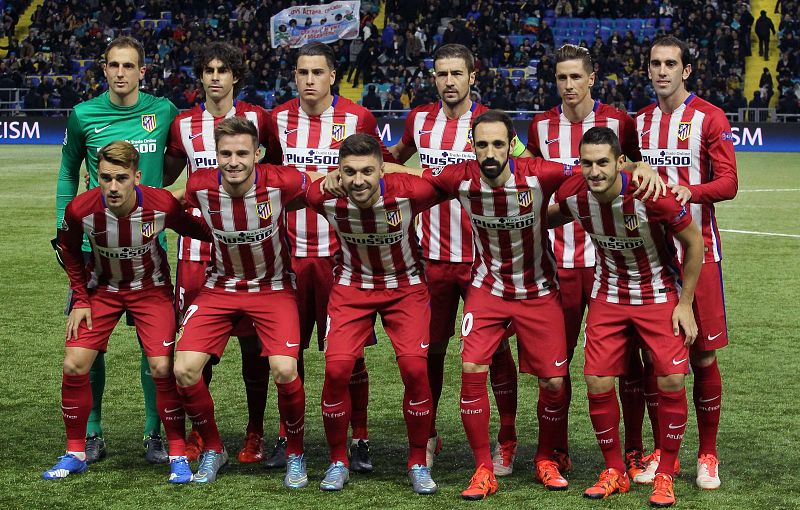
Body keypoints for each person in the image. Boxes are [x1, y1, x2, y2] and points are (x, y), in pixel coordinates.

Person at [416, 110, 663, 500]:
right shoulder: (458, 177)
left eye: (499, 144)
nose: (491, 152)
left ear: (511, 145)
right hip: (488, 289)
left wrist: (639, 166)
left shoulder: (539, 173)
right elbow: (408, 180)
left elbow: (594, 170)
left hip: (539, 290)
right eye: (483, 145)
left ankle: (546, 458)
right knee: (472, 367)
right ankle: (483, 468)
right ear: (472, 146)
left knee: (553, 382)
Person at [387, 44, 525, 474]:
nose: (449, 81)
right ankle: (428, 435)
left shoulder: (490, 124)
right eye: (442, 74)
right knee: (430, 352)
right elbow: (394, 158)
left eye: (457, 74)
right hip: (431, 259)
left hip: (486, 261)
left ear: (472, 76)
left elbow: (527, 166)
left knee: (496, 353)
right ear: (434, 78)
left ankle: (506, 439)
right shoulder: (419, 120)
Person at [549, 126, 704, 507]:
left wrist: (685, 304)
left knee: (671, 379)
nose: (595, 171)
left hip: (657, 293)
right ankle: (614, 470)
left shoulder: (651, 195)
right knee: (597, 380)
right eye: (587, 163)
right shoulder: (574, 195)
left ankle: (665, 473)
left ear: (620, 162)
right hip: (608, 295)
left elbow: (694, 242)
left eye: (603, 163)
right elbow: (548, 215)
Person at [43, 141, 211, 483]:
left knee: (161, 367)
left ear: (137, 177)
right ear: (95, 176)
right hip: (101, 291)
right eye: (106, 178)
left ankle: (177, 454)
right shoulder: (80, 210)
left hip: (151, 292)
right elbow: (69, 250)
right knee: (74, 363)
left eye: (121, 178)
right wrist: (81, 299)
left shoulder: (161, 204)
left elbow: (197, 229)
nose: (113, 186)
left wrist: (227, 231)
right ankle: (75, 453)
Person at [265, 42, 394, 471]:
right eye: (302, 72)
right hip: (288, 256)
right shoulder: (277, 120)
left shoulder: (359, 118)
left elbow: (378, 176)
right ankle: (287, 436)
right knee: (289, 354)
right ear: (294, 76)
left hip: (343, 258)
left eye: (317, 72)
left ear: (333, 76)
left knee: (350, 356)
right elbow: (271, 176)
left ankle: (360, 437)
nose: (309, 80)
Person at [526, 44, 651, 485]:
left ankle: (633, 450)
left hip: (610, 268)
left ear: (592, 78)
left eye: (576, 77)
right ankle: (553, 451)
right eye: (561, 77)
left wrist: (644, 170)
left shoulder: (620, 122)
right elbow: (534, 182)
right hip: (556, 264)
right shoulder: (540, 127)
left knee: (628, 367)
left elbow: (636, 170)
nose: (569, 85)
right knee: (553, 369)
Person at [173, 117, 320, 486]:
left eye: (242, 153)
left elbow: (321, 185)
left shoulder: (282, 180)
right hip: (219, 287)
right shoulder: (200, 185)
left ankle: (296, 453)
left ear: (258, 154)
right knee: (184, 369)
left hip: (273, 287)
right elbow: (171, 201)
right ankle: (213, 448)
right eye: (225, 154)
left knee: (284, 369)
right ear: (215, 155)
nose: (233, 161)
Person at [54, 35, 178, 465]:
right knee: (89, 343)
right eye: (113, 65)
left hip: (149, 248)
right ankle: (92, 432)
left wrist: (156, 195)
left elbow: (176, 160)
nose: (120, 73)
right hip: (94, 250)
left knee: (154, 347)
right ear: (104, 69)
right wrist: (62, 226)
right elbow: (68, 171)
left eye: (128, 66)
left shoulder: (164, 111)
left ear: (142, 71)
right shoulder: (83, 115)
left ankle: (153, 432)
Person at [308, 133, 440, 494]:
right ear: (338, 172)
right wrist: (327, 179)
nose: (358, 180)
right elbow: (303, 189)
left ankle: (417, 461)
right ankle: (338, 461)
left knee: (415, 369)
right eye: (349, 172)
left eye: (368, 171)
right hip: (352, 286)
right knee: (336, 370)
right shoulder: (323, 196)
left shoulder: (411, 192)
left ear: (382, 170)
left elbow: (441, 185)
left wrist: (396, 170)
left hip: (406, 286)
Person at [637, 35, 738, 490]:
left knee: (704, 355)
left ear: (687, 70)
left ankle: (707, 453)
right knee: (657, 360)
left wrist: (690, 191)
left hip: (701, 255)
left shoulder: (709, 118)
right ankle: (664, 451)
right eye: (655, 64)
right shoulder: (638, 123)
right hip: (652, 259)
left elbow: (729, 183)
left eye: (670, 64)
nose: (662, 71)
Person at [164, 42, 272, 465]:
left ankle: (255, 431)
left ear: (235, 76)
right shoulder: (182, 124)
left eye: (222, 70)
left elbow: (274, 171)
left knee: (253, 347)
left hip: (248, 249)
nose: (214, 77)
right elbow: (169, 175)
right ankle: (198, 432)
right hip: (196, 249)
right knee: (195, 346)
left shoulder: (258, 119)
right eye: (208, 70)